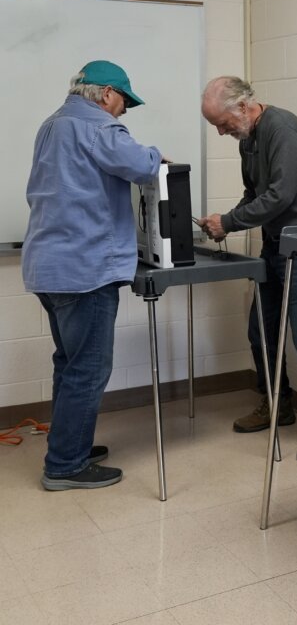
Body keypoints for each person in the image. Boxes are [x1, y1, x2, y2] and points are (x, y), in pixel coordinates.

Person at [23, 61, 162, 491]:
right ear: (105, 95)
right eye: (123, 102)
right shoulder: (101, 129)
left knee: (69, 363)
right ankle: (65, 465)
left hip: (48, 267)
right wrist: (158, 155)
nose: (123, 112)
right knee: (89, 369)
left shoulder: (52, 124)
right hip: (86, 271)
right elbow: (143, 167)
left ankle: (72, 444)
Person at [198, 76, 297, 462]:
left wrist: (229, 222)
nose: (220, 132)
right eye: (215, 124)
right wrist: (225, 220)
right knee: (260, 331)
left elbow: (281, 194)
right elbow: (255, 194)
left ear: (245, 106)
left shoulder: (283, 128)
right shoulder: (248, 137)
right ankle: (277, 405)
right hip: (277, 242)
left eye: (223, 122)